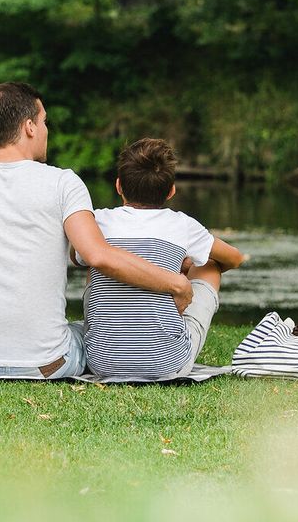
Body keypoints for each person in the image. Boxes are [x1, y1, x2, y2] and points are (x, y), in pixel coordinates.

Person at [0, 82, 194, 382]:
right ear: (29, 127)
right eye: (44, 122)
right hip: (48, 365)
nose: (46, 130)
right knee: (87, 332)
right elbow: (98, 255)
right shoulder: (64, 183)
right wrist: (176, 283)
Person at [74, 138, 244, 379]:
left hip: (102, 362)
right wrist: (185, 264)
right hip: (168, 364)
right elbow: (235, 258)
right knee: (210, 266)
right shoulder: (183, 224)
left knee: (93, 260)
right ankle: (167, 328)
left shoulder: (98, 221)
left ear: (119, 186)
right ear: (171, 191)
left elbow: (75, 256)